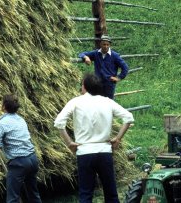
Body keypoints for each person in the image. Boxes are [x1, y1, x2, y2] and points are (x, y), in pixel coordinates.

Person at [54, 73, 134, 203]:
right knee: (111, 193)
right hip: (104, 151)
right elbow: (129, 118)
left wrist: (69, 143)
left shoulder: (76, 102)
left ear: (84, 86)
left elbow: (58, 122)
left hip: (84, 152)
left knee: (86, 194)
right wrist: (118, 138)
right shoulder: (107, 102)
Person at [0, 94, 42, 203]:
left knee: (12, 199)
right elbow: (14, 136)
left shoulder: (2, 124)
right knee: (33, 195)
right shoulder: (20, 120)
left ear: (4, 106)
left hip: (19, 163)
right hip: (32, 159)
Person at [78, 35, 129, 99]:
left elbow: (125, 67)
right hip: (97, 83)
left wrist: (119, 77)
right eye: (104, 44)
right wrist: (86, 57)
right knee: (97, 102)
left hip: (109, 84)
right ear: (100, 44)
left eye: (107, 45)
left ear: (110, 45)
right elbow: (81, 54)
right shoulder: (96, 53)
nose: (106, 46)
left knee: (108, 103)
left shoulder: (114, 56)